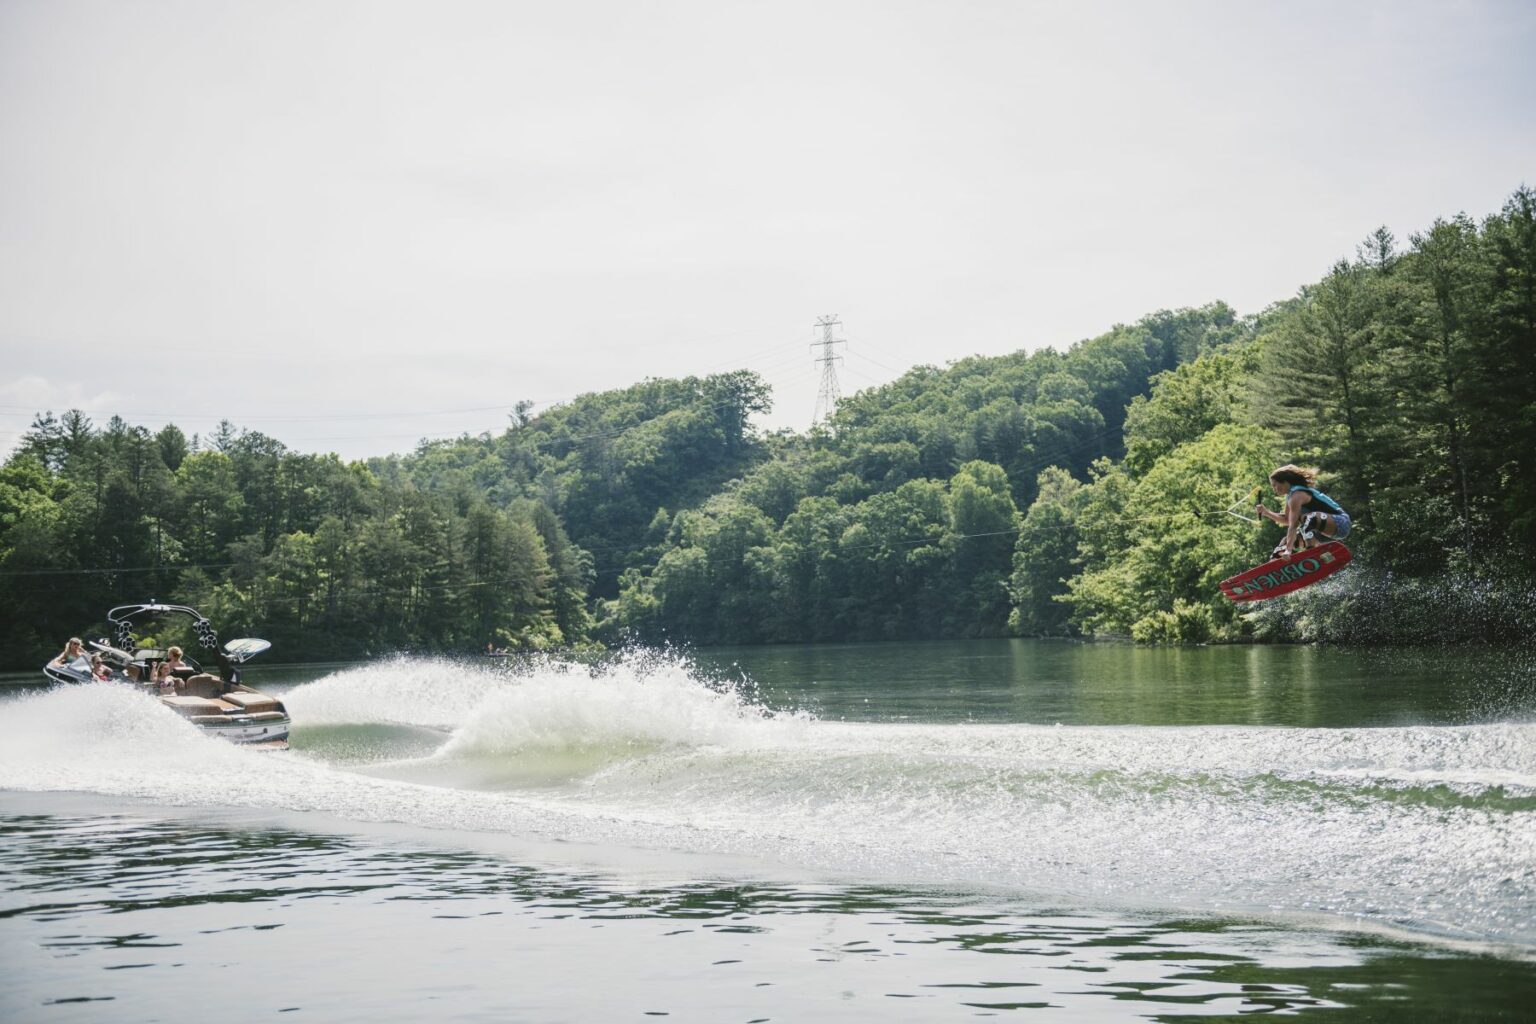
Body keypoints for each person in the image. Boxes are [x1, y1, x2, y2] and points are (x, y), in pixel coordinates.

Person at [1257, 464, 1351, 559]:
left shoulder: (1297, 495)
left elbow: (1293, 525)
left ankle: (1313, 554)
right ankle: (1274, 567)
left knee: (1308, 518)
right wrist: (1267, 512)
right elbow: (1287, 520)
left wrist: (1289, 550)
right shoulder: (1290, 497)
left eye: (1275, 485)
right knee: (1284, 543)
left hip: (1341, 523)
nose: (1274, 490)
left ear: (1285, 481)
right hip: (1322, 531)